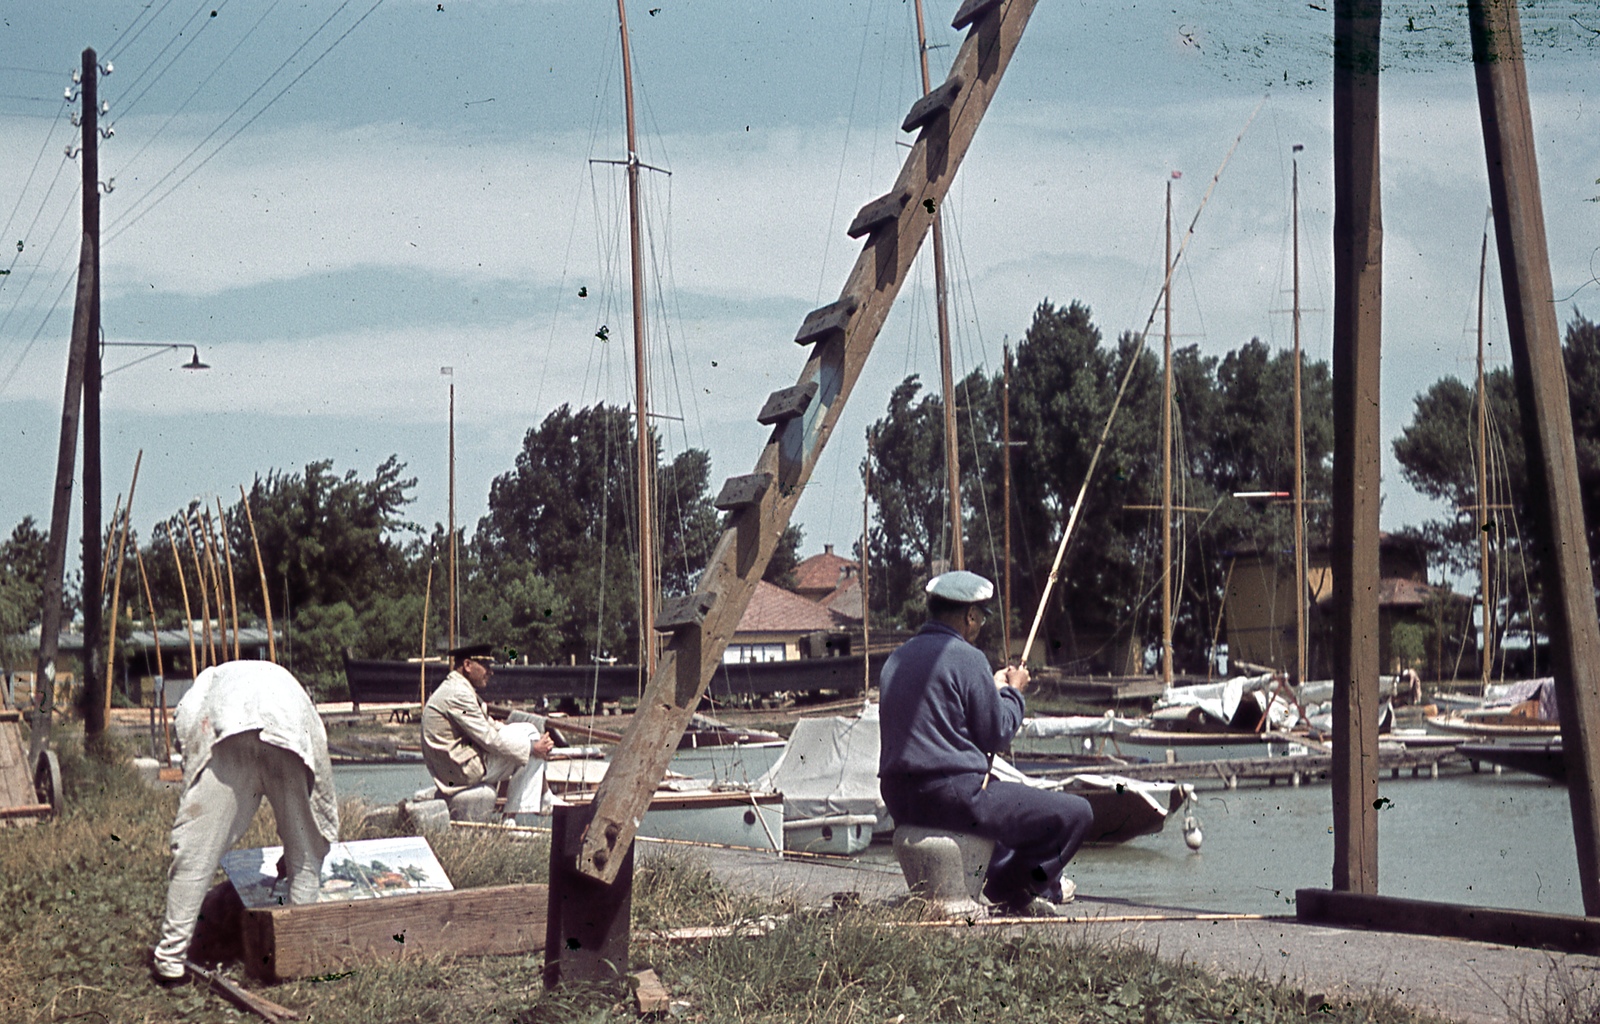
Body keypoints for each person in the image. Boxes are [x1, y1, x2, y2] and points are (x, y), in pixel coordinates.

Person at [877, 570, 1094, 917]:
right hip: (952, 795)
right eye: (980, 617)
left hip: (900, 799)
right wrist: (1013, 690)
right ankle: (1013, 890)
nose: (979, 626)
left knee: (1004, 809)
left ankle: (1004, 882)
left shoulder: (897, 658)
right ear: (970, 616)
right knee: (1076, 814)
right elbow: (998, 733)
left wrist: (990, 688)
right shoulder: (967, 657)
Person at [153, 660, 338, 985]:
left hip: (232, 734)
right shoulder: (283, 682)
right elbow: (316, 762)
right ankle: (296, 954)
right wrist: (306, 834)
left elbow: (190, 734)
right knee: (305, 857)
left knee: (196, 852)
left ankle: (170, 960)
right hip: (286, 734)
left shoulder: (209, 683)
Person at [421, 642, 555, 821]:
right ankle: (518, 814)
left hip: (452, 766)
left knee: (528, 732)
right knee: (529, 745)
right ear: (468, 665)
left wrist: (528, 742)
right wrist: (531, 748)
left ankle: (541, 799)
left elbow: (486, 724)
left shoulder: (456, 688)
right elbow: (488, 738)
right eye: (485, 666)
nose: (490, 672)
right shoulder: (458, 694)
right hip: (461, 771)